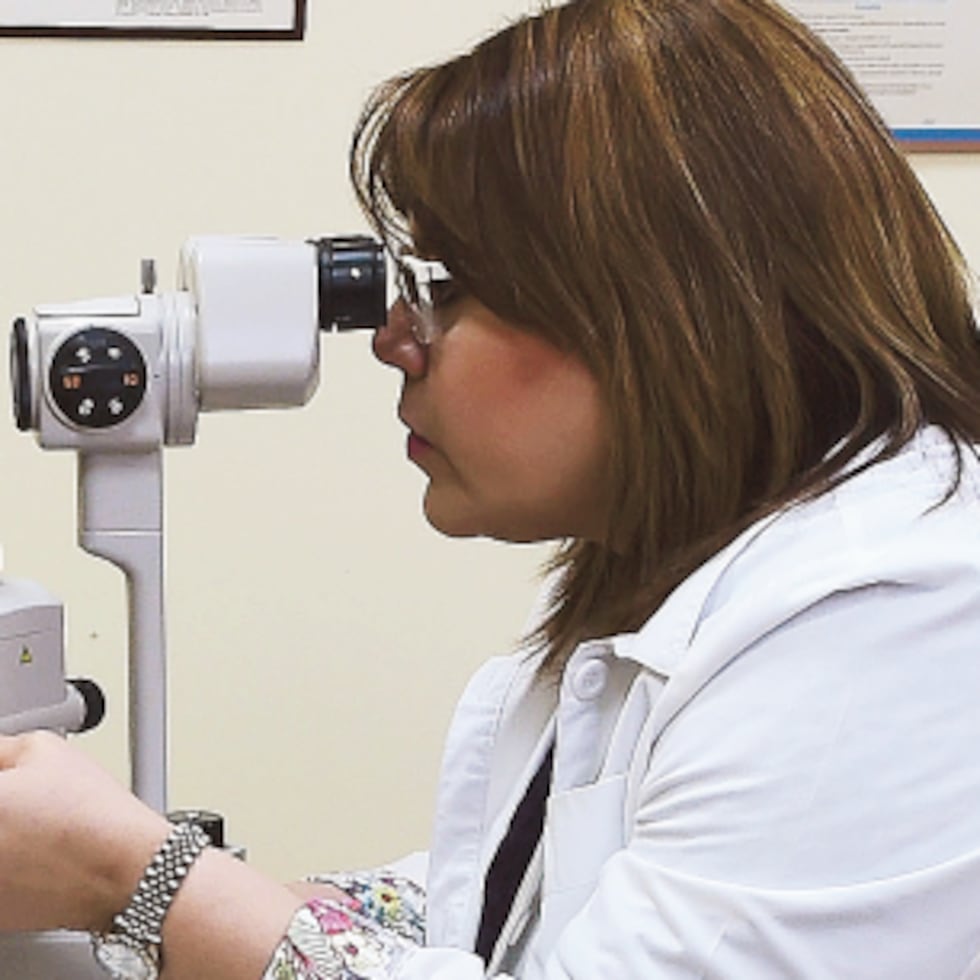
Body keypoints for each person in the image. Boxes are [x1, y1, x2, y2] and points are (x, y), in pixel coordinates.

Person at [3, 0, 980, 976]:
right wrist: (266, 900)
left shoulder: (883, 621)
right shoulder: (695, 573)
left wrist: (141, 873)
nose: (392, 340)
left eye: (443, 287)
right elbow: (519, 897)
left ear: (656, 308)